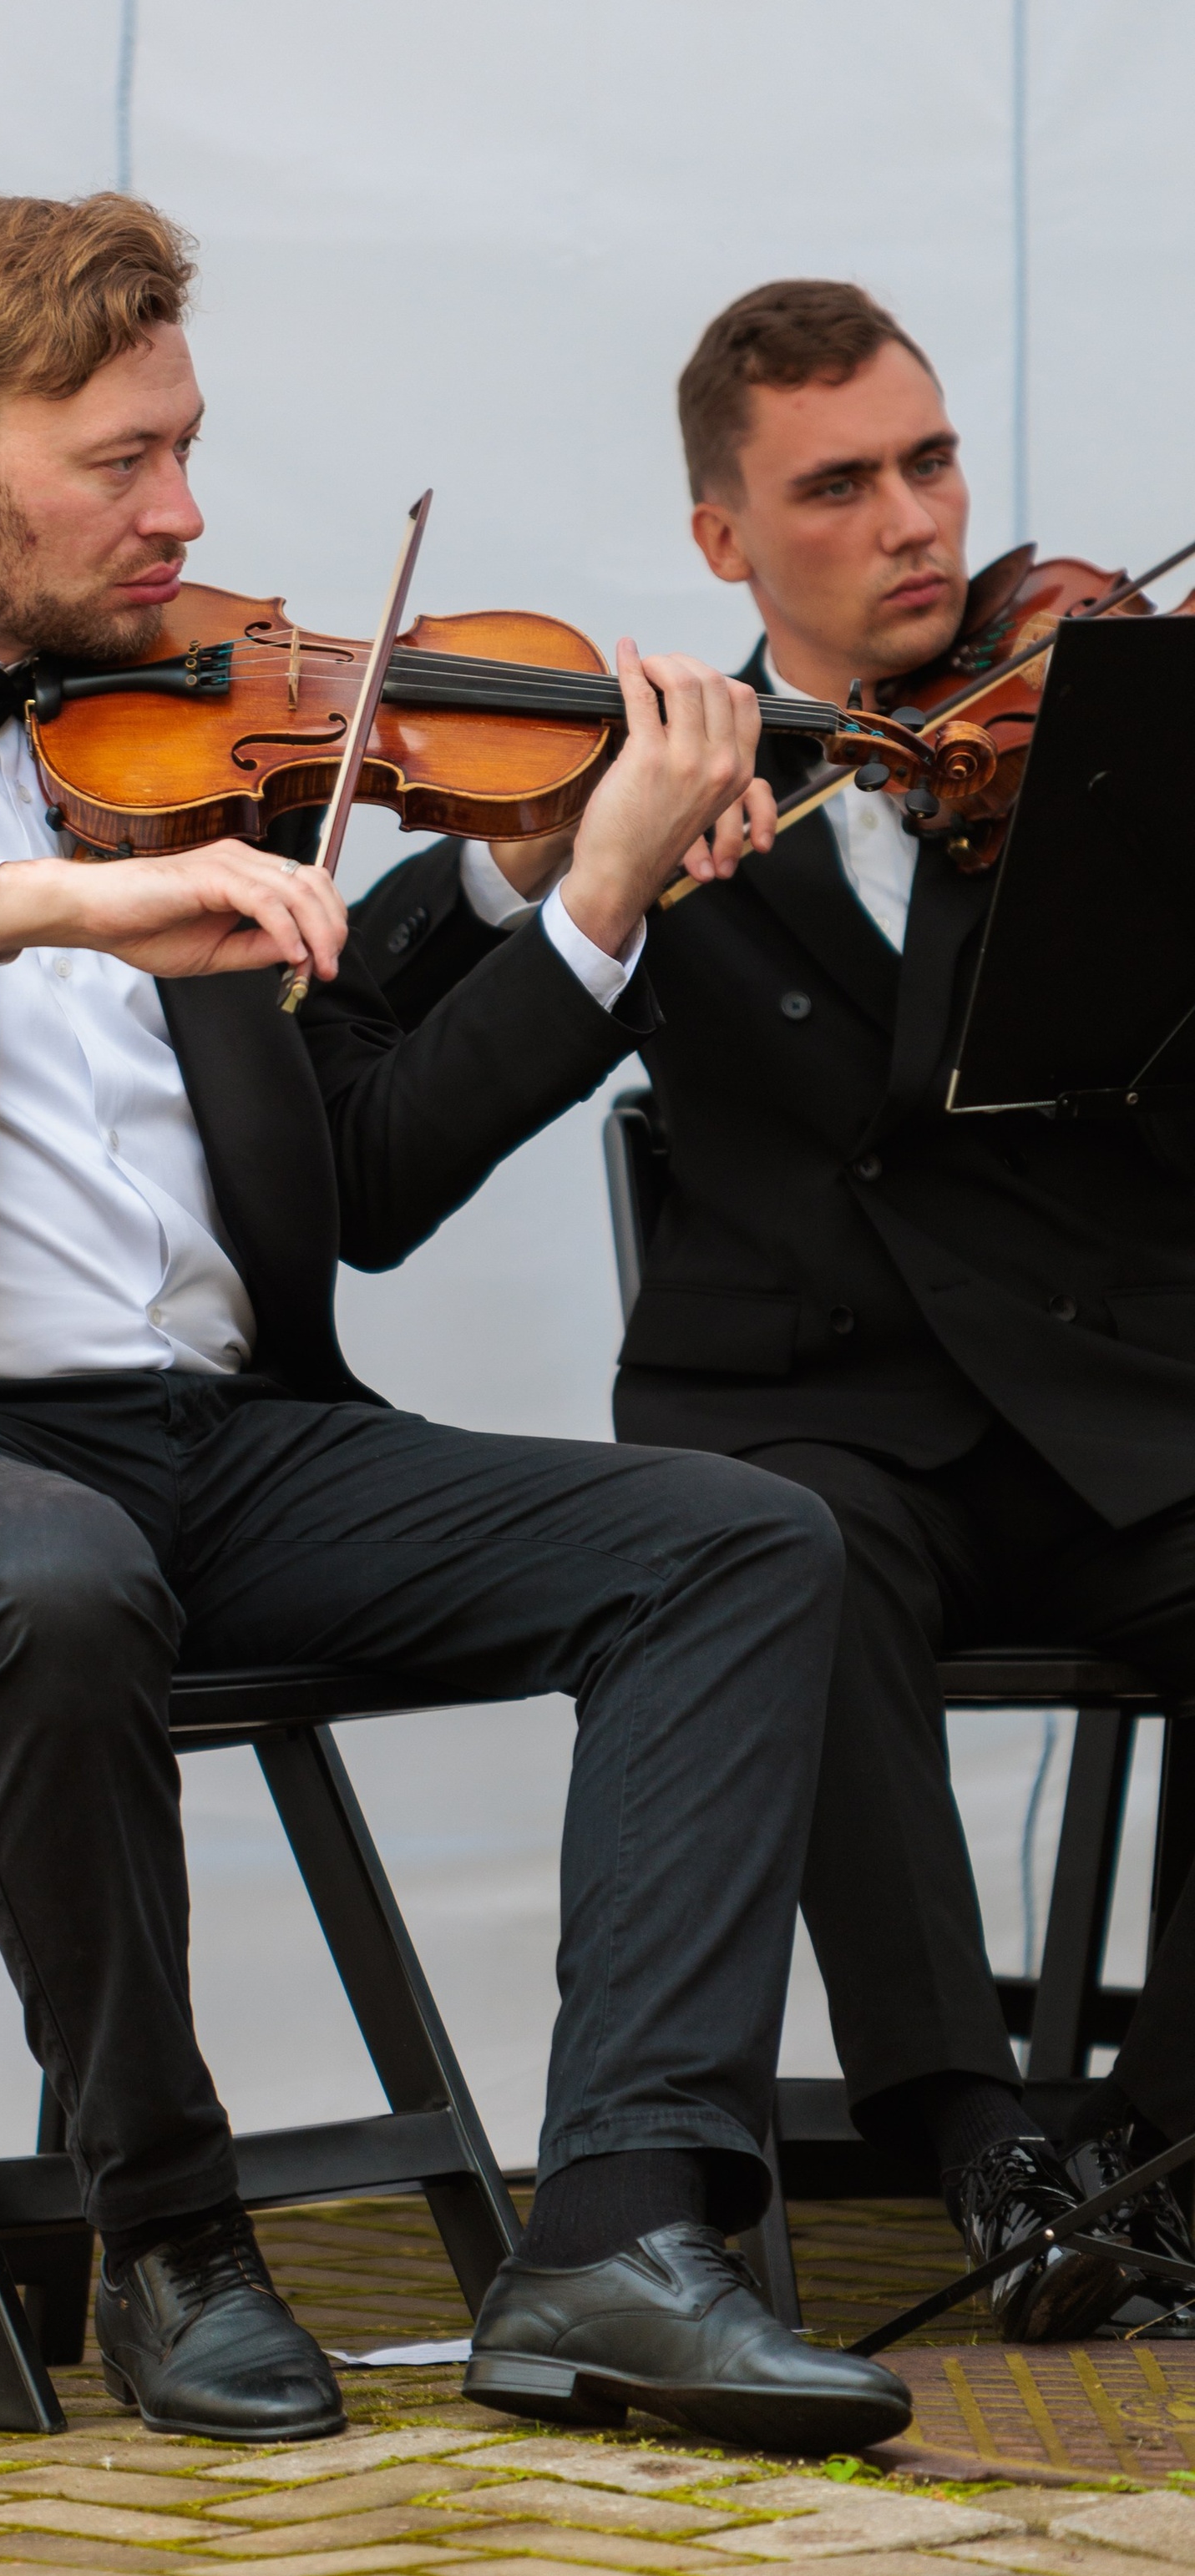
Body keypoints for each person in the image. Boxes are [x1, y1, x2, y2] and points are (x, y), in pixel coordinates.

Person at [0, 196, 907, 2452]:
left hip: (225, 1443)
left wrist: (587, 897)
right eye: (117, 461)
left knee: (738, 1540)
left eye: (186, 443)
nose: (181, 510)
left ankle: (621, 2242)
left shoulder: (209, 730)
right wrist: (54, 904)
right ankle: (169, 2235)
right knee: (53, 1579)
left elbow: (360, 1188)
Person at [356, 278, 1195, 2341]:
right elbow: (369, 1097)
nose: (910, 520)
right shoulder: (648, 786)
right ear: (724, 539)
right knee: (779, 1559)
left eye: (928, 463)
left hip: (1110, 1404)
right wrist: (568, 870)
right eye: (837, 485)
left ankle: (1161, 2152)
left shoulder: (1095, 741)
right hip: (810, 1416)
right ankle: (974, 2133)